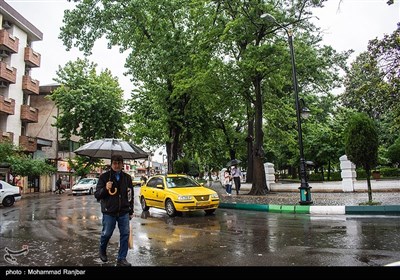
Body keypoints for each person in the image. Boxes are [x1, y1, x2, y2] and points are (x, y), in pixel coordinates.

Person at [94, 154, 134, 267]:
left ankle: (122, 258)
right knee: (107, 233)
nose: (117, 165)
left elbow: (130, 195)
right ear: (111, 164)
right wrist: (105, 189)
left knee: (125, 234)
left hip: (123, 211)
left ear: (122, 164)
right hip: (109, 211)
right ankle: (102, 250)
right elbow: (97, 195)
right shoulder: (104, 177)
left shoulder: (127, 178)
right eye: (115, 163)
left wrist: (130, 210)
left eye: (119, 163)